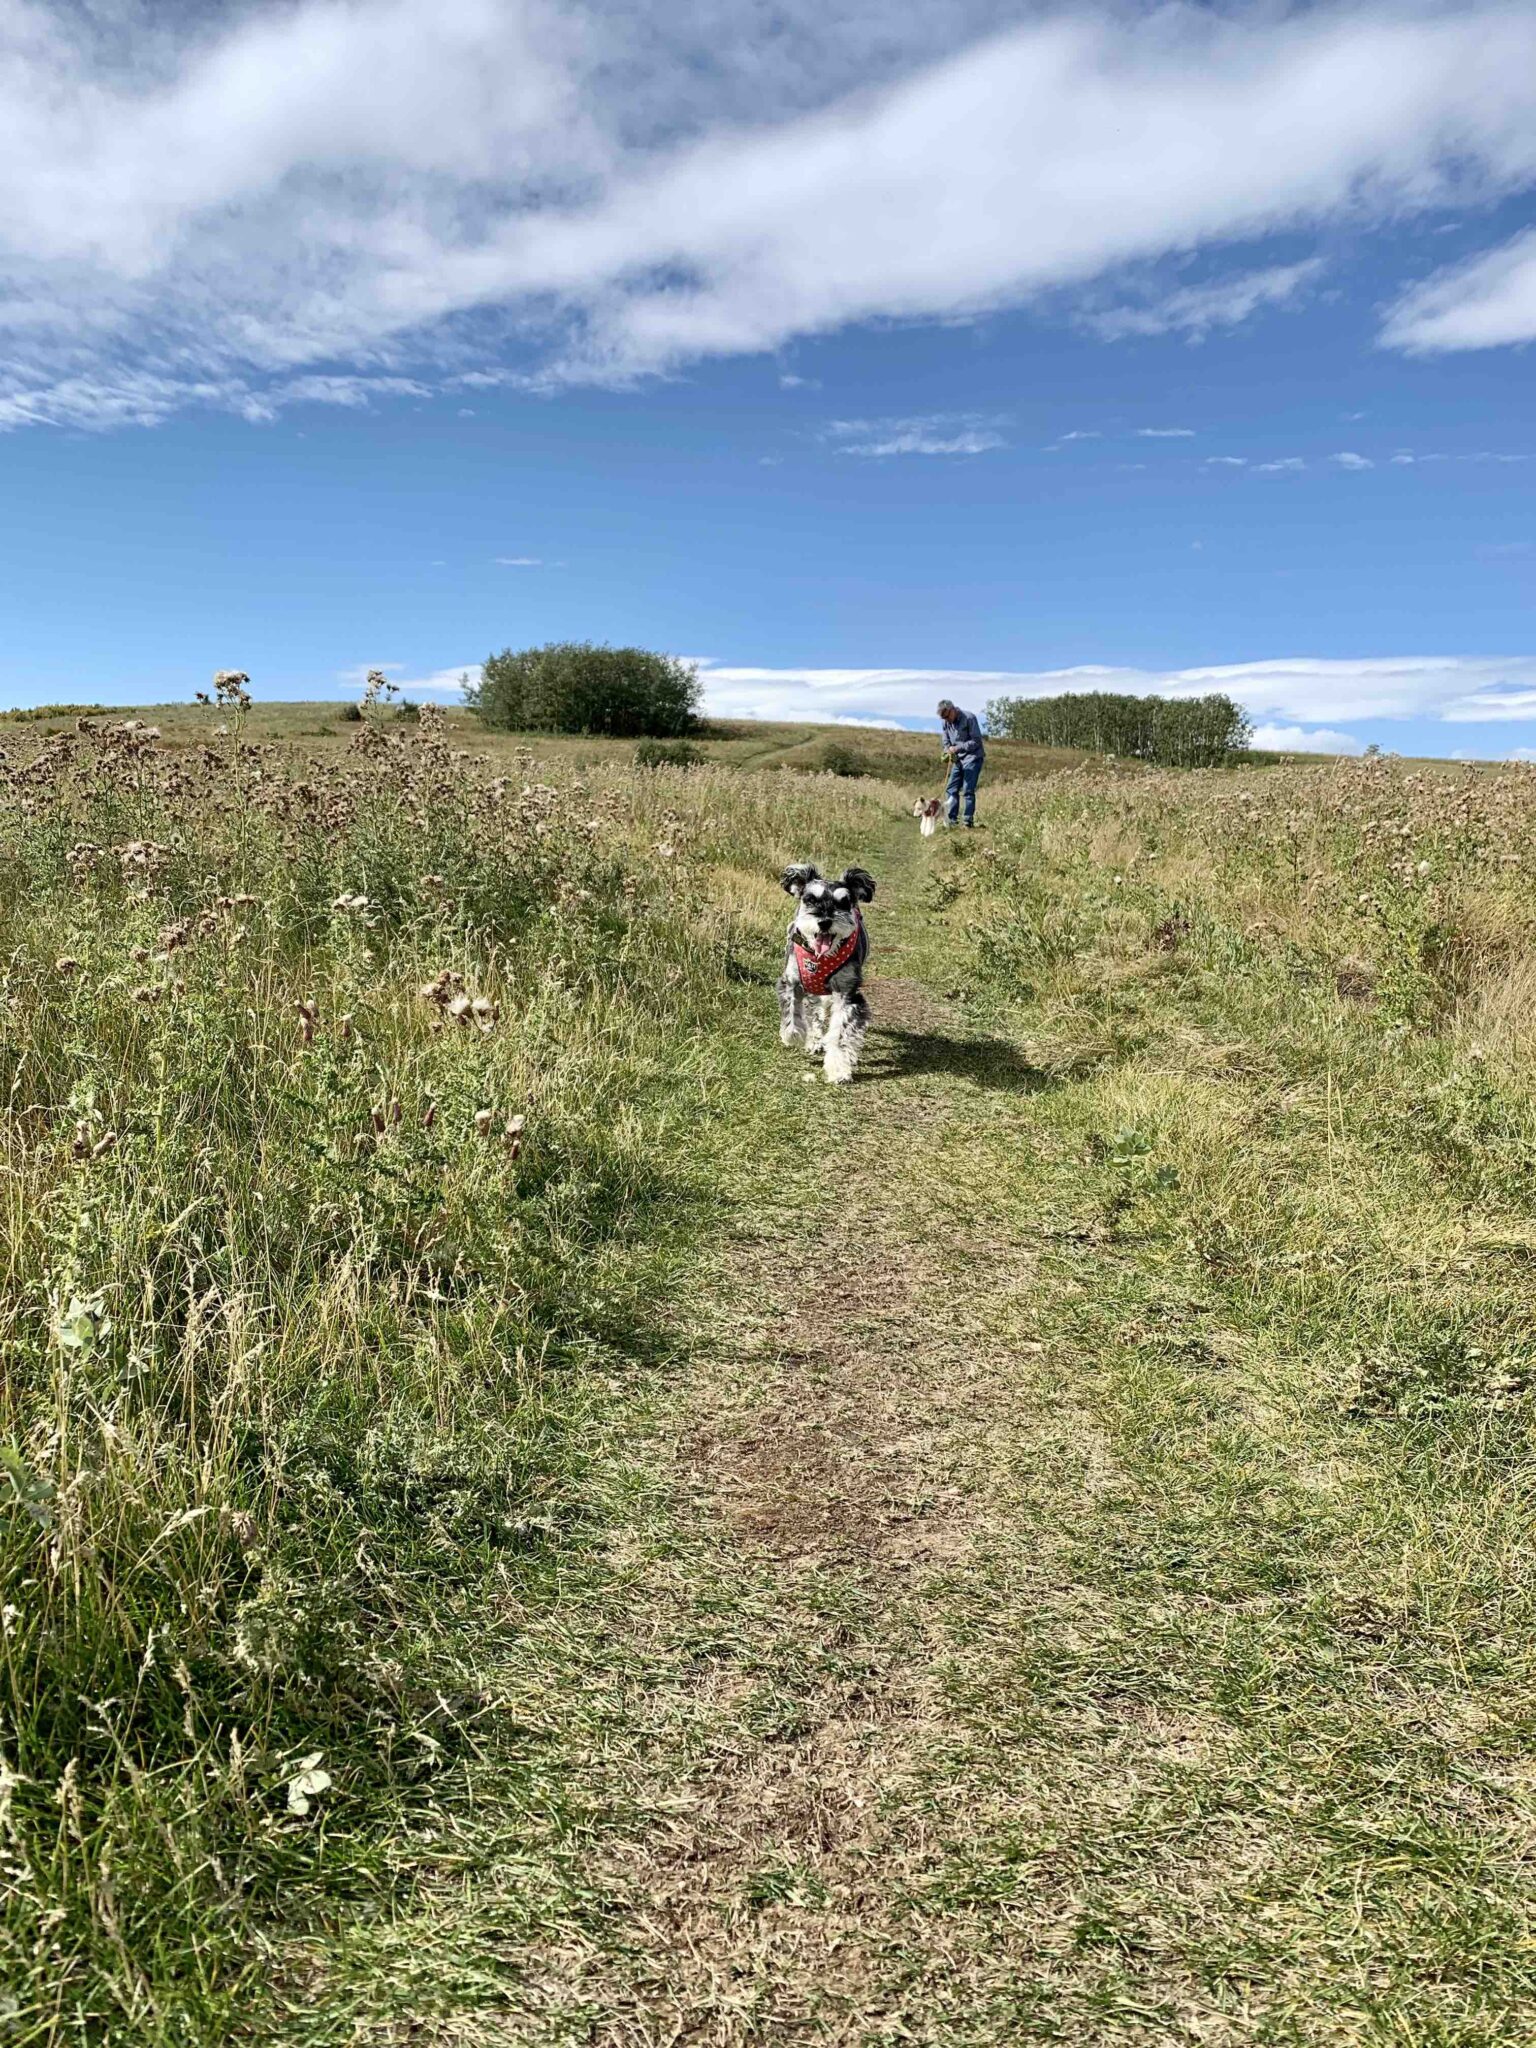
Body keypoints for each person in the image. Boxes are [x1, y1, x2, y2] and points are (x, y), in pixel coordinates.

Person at [937, 698, 985, 827]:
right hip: (958, 759)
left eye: (947, 717)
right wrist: (947, 750)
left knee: (968, 790)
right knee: (951, 789)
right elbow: (946, 739)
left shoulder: (969, 718)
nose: (947, 720)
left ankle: (967, 821)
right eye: (944, 718)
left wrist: (957, 748)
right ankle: (952, 820)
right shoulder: (945, 722)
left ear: (952, 710)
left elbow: (976, 741)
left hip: (973, 757)